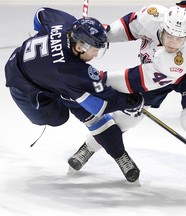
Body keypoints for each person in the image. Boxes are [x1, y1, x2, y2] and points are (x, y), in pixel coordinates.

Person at [68, 5, 186, 203]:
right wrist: (93, 36)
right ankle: (89, 147)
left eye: (179, 39)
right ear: (163, 26)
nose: (173, 43)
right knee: (128, 117)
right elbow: (124, 28)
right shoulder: (151, 16)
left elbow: (134, 80)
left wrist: (96, 78)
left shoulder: (180, 57)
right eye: (169, 36)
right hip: (156, 71)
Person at [4, 7, 144, 183]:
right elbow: (101, 105)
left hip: (43, 73)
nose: (96, 54)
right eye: (94, 50)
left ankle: (119, 154)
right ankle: (70, 97)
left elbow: (41, 14)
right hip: (25, 89)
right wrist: (129, 101)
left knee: (75, 97)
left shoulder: (67, 23)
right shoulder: (71, 72)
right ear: (79, 46)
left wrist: (43, 42)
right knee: (60, 116)